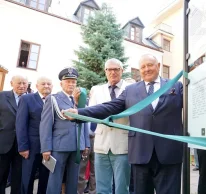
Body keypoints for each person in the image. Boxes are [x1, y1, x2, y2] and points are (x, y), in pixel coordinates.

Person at [64, 54, 184, 194]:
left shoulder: (176, 86)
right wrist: (79, 113)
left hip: (169, 153)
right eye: (143, 67)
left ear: (158, 66)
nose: (146, 69)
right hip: (140, 153)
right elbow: (109, 107)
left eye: (150, 65)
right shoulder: (131, 90)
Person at [84, 58, 131, 194]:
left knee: (122, 187)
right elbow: (91, 114)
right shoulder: (97, 90)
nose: (113, 72)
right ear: (105, 71)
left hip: (122, 145)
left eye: (116, 69)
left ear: (122, 71)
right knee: (102, 187)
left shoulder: (130, 88)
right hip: (101, 145)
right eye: (109, 69)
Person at [40, 67, 90, 194]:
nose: (71, 84)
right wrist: (46, 148)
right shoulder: (53, 99)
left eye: (73, 81)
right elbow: (46, 124)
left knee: (74, 180)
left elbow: (83, 122)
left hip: (77, 145)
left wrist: (86, 143)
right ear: (61, 83)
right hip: (60, 145)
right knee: (55, 179)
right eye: (68, 81)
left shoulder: (81, 100)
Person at [16, 76, 53, 194]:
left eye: (49, 84)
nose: (46, 86)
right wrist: (23, 147)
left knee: (45, 179)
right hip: (31, 149)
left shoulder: (55, 100)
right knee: (28, 179)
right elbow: (21, 124)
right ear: (37, 86)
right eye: (43, 84)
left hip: (49, 148)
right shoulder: (27, 99)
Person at [0, 75, 28, 194]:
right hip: (3, 143)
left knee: (18, 177)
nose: (22, 86)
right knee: (1, 175)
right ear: (11, 83)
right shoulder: (1, 96)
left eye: (24, 83)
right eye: (19, 83)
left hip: (23, 146)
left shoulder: (31, 99)